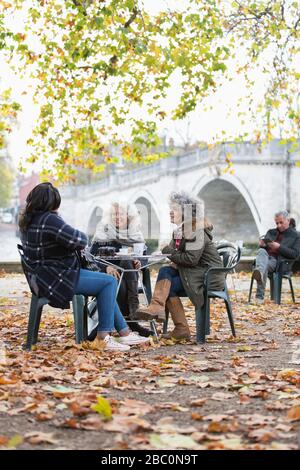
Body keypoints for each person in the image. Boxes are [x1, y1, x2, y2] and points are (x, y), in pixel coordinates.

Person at [19, 183, 149, 351]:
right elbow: (80, 240)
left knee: (105, 282)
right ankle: (103, 338)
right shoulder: (49, 219)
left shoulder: (27, 221)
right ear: (52, 202)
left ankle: (124, 333)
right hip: (59, 279)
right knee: (109, 282)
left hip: (42, 279)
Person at [135, 191, 225, 340]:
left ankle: (172, 321)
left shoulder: (197, 231)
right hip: (195, 273)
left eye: (175, 209)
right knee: (166, 271)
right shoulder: (181, 230)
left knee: (168, 284)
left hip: (208, 277)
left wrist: (167, 251)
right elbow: (176, 254)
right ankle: (160, 310)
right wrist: (168, 255)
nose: (170, 212)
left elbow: (190, 259)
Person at [91, 202, 152, 337]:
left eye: (120, 214)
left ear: (128, 216)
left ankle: (131, 317)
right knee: (118, 284)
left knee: (127, 261)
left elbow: (144, 255)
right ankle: (132, 321)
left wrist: (139, 262)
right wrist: (106, 267)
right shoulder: (104, 231)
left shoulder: (135, 233)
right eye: (114, 214)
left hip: (128, 273)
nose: (117, 217)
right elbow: (91, 257)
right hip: (108, 274)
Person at [252, 210, 300, 303]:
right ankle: (260, 272)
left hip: (279, 262)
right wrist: (262, 245)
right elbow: (262, 248)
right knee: (261, 251)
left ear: (288, 221)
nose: (278, 225)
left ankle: (259, 297)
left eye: (281, 222)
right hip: (265, 258)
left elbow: (296, 254)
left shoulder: (296, 235)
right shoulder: (271, 232)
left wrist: (279, 247)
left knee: (261, 266)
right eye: (277, 223)